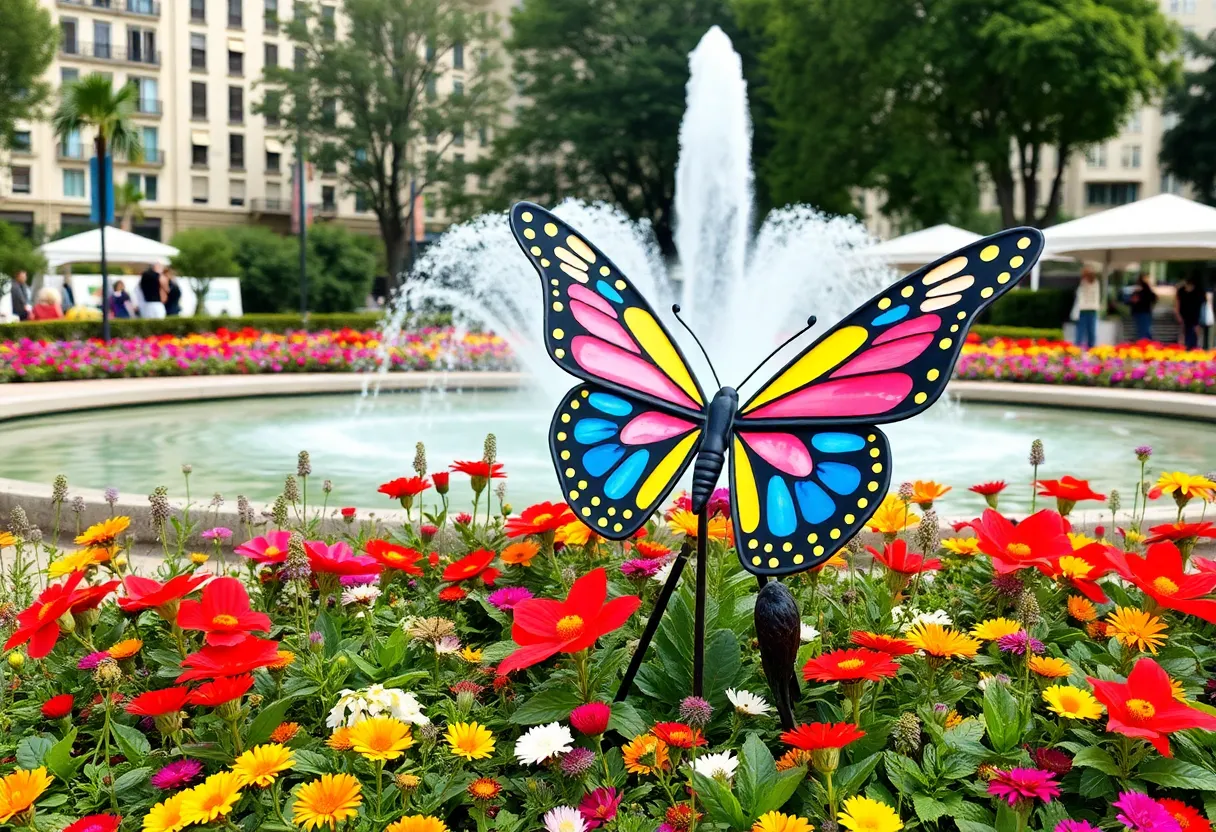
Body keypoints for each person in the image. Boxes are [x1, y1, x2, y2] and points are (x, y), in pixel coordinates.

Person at [1073, 267, 1102, 349]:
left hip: (1090, 309)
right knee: (1082, 330)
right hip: (1084, 309)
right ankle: (1078, 347)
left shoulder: (1094, 283)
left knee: (1090, 330)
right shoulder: (1084, 283)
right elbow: (1080, 296)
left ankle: (1090, 347)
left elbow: (1093, 296)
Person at [1176, 275, 1204, 350]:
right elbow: (1177, 303)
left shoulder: (1198, 292)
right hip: (1186, 316)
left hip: (1194, 317)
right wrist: (1178, 314)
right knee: (1184, 333)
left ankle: (1194, 348)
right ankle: (1186, 348)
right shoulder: (1181, 291)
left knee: (1193, 333)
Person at [1129, 273, 1157, 342]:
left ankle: (1144, 344)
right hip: (1143, 312)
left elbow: (1133, 299)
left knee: (1143, 331)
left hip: (1142, 312)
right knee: (1144, 331)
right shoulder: (1144, 289)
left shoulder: (1143, 289)